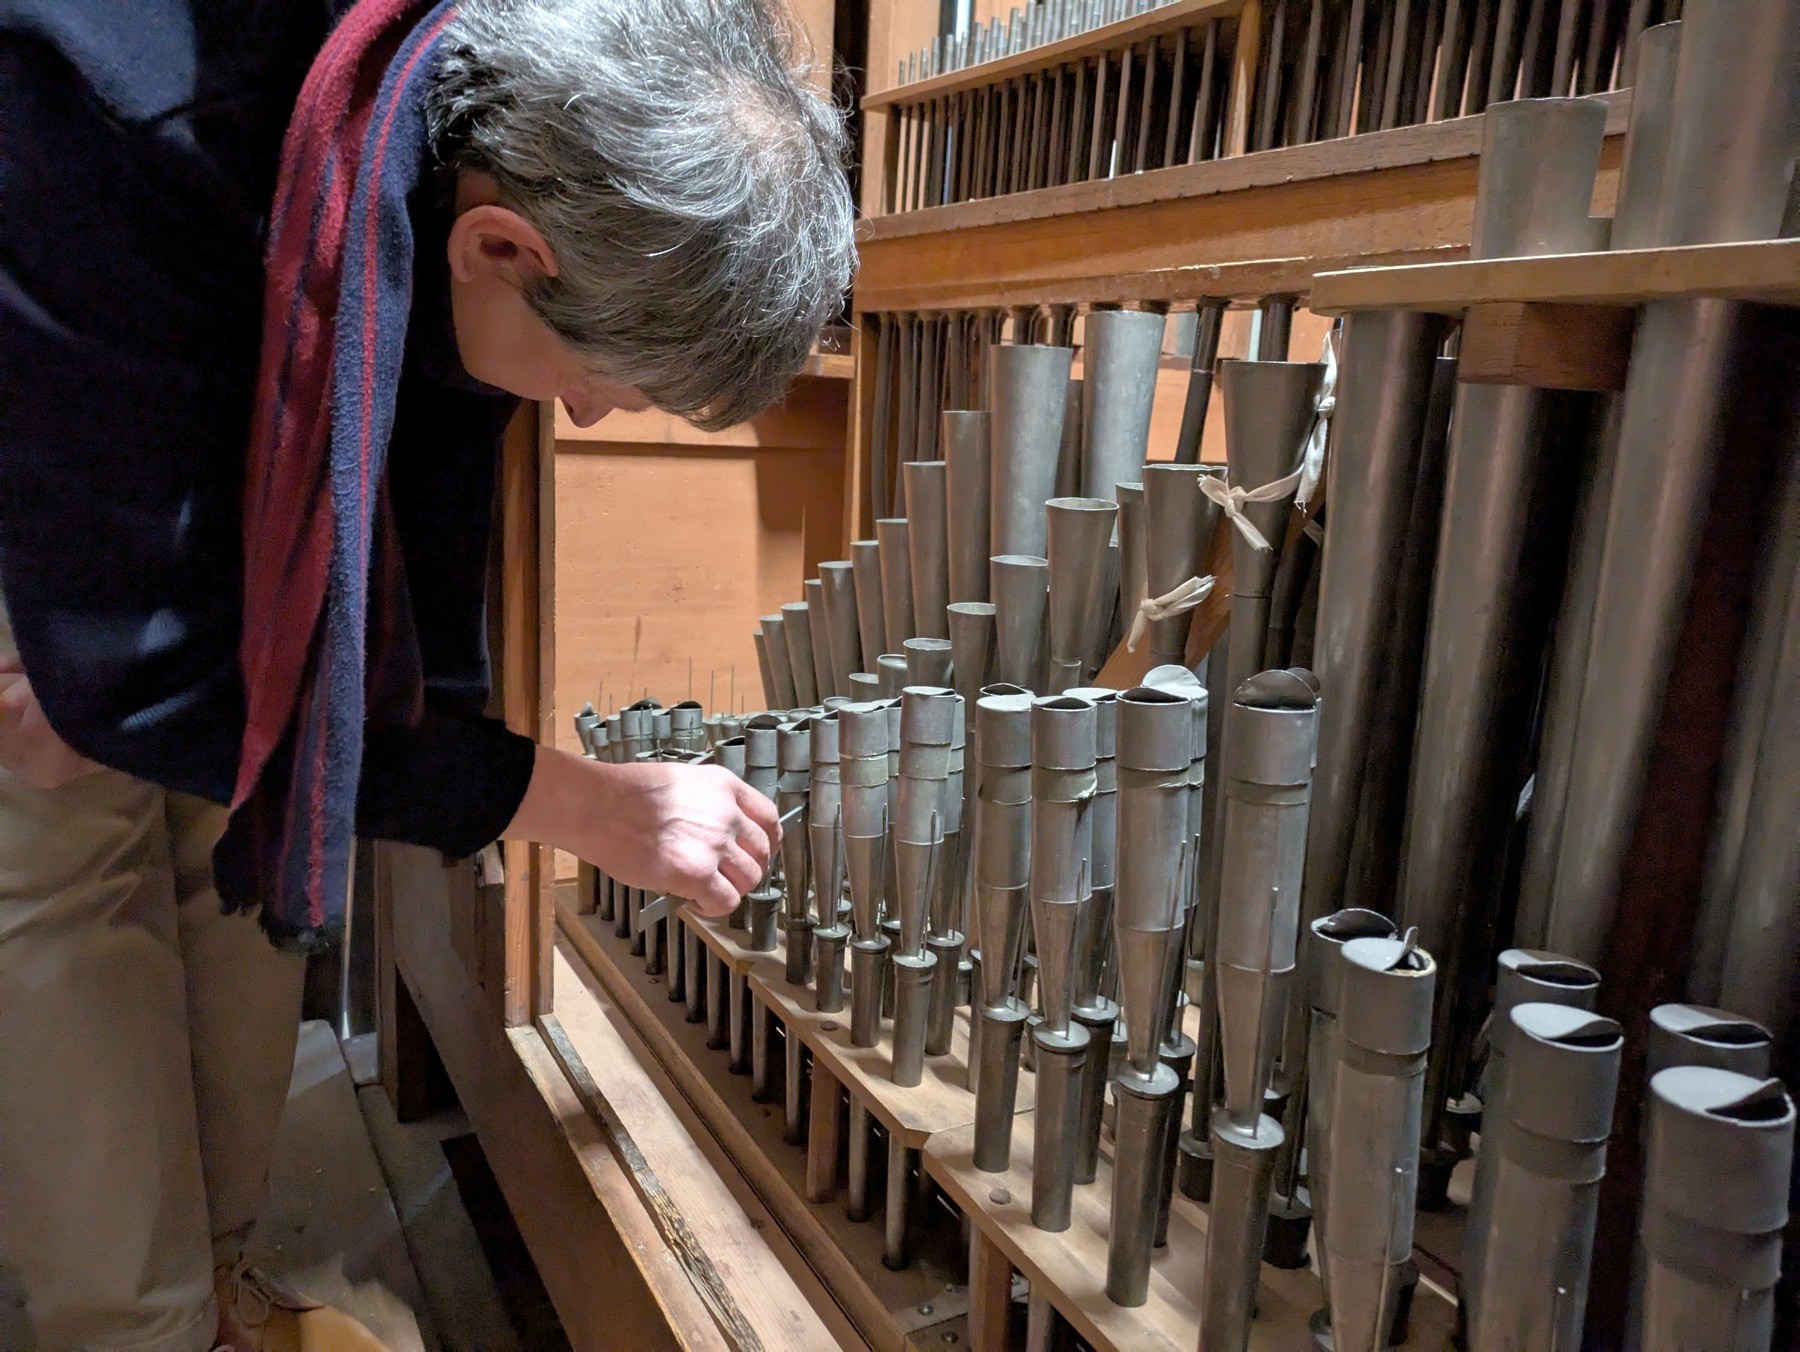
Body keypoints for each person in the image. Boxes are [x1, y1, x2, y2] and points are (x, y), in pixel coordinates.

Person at [0, 0, 856, 1347]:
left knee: (239, 823)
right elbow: (144, 687)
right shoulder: (126, 118)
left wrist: (436, 748)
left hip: (192, 320)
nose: (583, 413)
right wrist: (576, 803)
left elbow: (391, 621)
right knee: (60, 813)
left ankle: (216, 1291)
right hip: (57, 359)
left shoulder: (470, 146)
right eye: (602, 381)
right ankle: (134, 1330)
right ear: (501, 248)